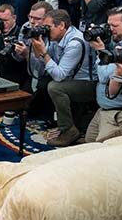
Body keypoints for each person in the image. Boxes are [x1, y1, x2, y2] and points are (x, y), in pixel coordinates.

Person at [30, 9, 96, 147]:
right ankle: (56, 121)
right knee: (44, 83)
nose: (46, 31)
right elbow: (44, 65)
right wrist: (37, 48)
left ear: (61, 25)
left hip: (87, 84)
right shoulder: (57, 37)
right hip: (71, 79)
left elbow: (59, 76)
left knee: (55, 87)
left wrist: (43, 52)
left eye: (48, 27)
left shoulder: (74, 43)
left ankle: (68, 130)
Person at [85, 6, 122, 142]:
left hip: (118, 113)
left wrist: (101, 51)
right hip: (104, 109)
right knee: (88, 142)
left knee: (100, 153)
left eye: (114, 25)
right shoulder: (116, 43)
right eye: (108, 25)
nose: (110, 29)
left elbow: (104, 77)